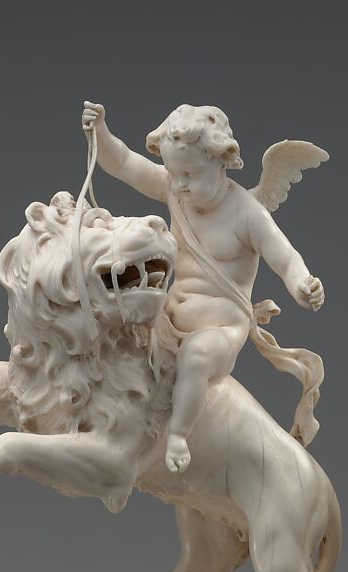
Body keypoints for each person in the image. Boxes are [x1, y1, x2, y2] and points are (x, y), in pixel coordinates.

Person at [82, 101, 325, 472]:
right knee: (109, 323)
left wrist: (303, 285)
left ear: (221, 160)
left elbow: (286, 258)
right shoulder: (176, 189)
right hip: (169, 316)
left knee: (196, 356)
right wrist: (100, 131)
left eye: (190, 175)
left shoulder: (247, 213)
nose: (180, 184)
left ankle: (178, 436)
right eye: (173, 173)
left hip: (221, 329)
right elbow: (126, 164)